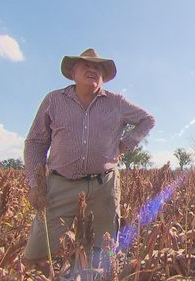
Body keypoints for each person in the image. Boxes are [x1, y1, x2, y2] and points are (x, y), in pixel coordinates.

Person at [23, 48, 155, 270]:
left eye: (98, 68)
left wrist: (126, 143)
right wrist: (35, 185)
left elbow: (147, 119)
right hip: (60, 185)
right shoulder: (54, 100)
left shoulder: (116, 102)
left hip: (103, 186)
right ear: (73, 73)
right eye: (86, 65)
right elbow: (35, 142)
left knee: (102, 252)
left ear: (103, 77)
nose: (93, 69)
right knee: (37, 252)